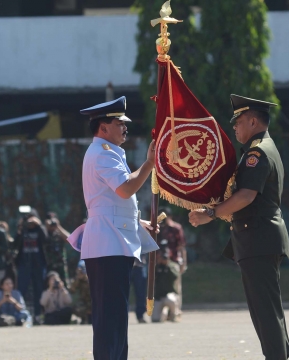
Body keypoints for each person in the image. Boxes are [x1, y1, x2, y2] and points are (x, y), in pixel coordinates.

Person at [189, 95, 289, 360]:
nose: (234, 127)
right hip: (259, 238)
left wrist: (211, 214)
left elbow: (246, 195)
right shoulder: (264, 148)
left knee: (266, 313)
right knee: (267, 312)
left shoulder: (257, 153)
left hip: (259, 239)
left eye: (239, 122)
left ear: (254, 121)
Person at [77, 96, 158, 359]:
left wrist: (137, 222)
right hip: (107, 246)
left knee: (114, 321)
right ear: (103, 128)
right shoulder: (102, 154)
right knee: (110, 322)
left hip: (110, 243)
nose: (125, 127)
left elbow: (110, 200)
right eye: (118, 122)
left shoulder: (107, 153)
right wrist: (149, 164)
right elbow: (125, 189)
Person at [13, 208, 48, 323]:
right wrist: (20, 228)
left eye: (32, 220)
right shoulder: (23, 230)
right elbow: (15, 243)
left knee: (38, 290)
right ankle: (20, 315)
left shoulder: (39, 229)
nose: (30, 222)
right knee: (22, 289)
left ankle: (38, 315)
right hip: (24, 264)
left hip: (38, 264)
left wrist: (40, 225)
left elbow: (46, 240)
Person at [157, 207, 186, 315]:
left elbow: (181, 246)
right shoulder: (157, 228)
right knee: (161, 286)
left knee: (176, 288)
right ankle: (161, 312)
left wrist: (183, 263)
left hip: (174, 261)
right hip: (159, 262)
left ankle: (176, 312)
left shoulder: (176, 228)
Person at [151, 244, 180, 323]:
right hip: (159, 296)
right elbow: (151, 278)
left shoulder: (172, 266)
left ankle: (174, 314)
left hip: (170, 294)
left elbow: (175, 276)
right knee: (155, 319)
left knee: (170, 300)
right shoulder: (156, 267)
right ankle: (163, 315)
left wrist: (167, 266)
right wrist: (157, 265)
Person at [44, 213, 70, 286]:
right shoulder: (44, 233)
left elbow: (70, 240)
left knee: (64, 285)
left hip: (60, 264)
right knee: (48, 286)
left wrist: (58, 226)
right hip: (49, 265)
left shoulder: (59, 233)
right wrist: (46, 227)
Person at [69, 260, 92, 324]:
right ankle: (84, 319)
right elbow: (72, 290)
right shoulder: (78, 281)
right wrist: (77, 279)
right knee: (77, 307)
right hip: (84, 303)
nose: (80, 273)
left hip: (93, 303)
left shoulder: (92, 279)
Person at [131, 254, 148, 323]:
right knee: (123, 293)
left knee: (141, 293)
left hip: (139, 266)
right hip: (125, 265)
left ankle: (140, 315)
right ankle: (122, 315)